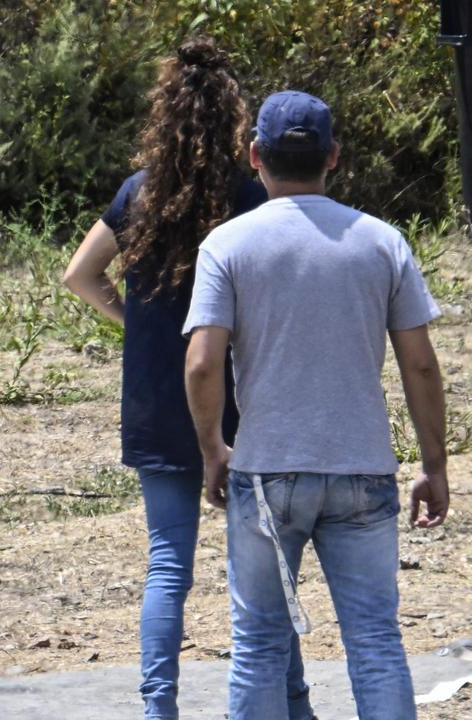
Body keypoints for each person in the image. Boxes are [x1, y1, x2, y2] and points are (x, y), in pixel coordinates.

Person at [182, 90, 449, 720]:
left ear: (255, 157)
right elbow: (420, 362)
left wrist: (214, 449)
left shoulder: (228, 244)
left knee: (259, 648)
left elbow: (201, 363)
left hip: (268, 470)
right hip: (361, 469)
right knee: (376, 642)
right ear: (333, 157)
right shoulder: (381, 242)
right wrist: (434, 464)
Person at [63, 36, 270, 719]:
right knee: (257, 570)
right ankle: (273, 700)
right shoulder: (249, 196)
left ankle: (158, 708)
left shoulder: (138, 194)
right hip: (237, 398)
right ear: (232, 122)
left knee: (167, 563)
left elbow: (79, 275)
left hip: (156, 395)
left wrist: (138, 324)